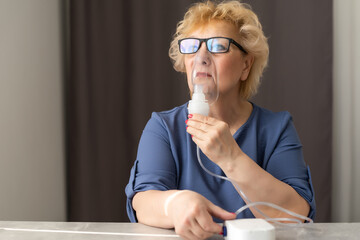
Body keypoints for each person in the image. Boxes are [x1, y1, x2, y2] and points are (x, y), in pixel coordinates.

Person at [125, 1, 316, 239]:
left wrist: (232, 158)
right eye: (192, 47)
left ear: (246, 64)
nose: (201, 57)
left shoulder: (276, 129)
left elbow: (296, 213)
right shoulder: (164, 128)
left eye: (217, 46)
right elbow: (142, 202)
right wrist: (174, 203)